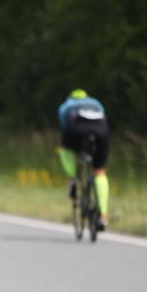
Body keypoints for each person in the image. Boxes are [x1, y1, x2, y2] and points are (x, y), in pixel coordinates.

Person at [57, 89, 110, 231]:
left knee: (65, 148)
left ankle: (73, 178)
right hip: (100, 130)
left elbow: (65, 127)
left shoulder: (66, 105)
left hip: (77, 128)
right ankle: (103, 215)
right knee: (100, 171)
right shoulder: (96, 103)